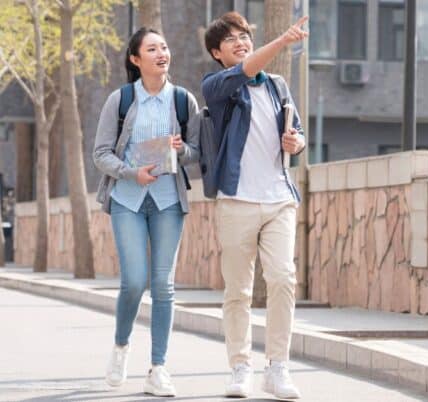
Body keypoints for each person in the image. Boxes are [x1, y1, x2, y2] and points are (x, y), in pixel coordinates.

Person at [202, 11, 308, 399]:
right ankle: (240, 367)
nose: (241, 41)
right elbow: (246, 70)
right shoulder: (218, 86)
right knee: (238, 291)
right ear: (217, 53)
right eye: (230, 40)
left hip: (279, 198)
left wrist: (296, 143)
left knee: (283, 279)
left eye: (244, 35)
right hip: (236, 200)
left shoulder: (278, 86)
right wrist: (282, 42)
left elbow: (296, 132)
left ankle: (277, 367)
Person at [93, 27, 200, 397]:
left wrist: (181, 148)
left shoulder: (184, 101)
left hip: (168, 201)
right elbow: (101, 153)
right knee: (135, 281)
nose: (162, 53)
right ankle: (121, 346)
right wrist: (130, 172)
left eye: (165, 47)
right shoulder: (120, 101)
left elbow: (197, 154)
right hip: (128, 200)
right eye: (152, 49)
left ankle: (158, 368)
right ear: (136, 60)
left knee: (164, 286)